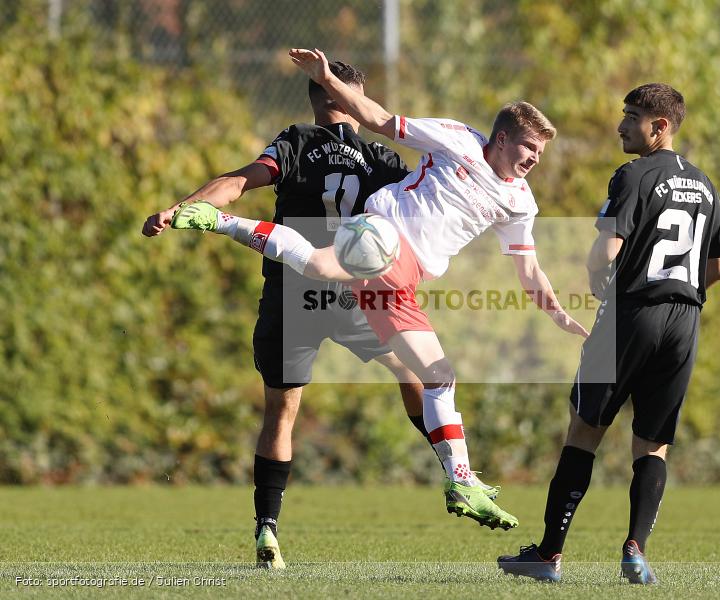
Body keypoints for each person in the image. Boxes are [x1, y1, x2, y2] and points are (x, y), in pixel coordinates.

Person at [168, 47, 589, 533]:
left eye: (540, 152)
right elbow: (380, 119)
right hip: (384, 234)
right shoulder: (459, 140)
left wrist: (556, 311)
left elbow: (529, 267)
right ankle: (462, 478)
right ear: (501, 138)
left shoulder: (521, 202)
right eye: (529, 148)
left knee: (436, 373)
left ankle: (461, 482)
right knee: (327, 272)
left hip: (406, 279)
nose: (535, 158)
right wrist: (328, 77)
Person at [142, 61, 493, 569]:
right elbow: (424, 214)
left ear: (315, 98)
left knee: (281, 413)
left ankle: (267, 530)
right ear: (354, 97)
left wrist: (179, 209)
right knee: (416, 374)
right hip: (357, 293)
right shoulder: (380, 156)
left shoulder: (296, 143)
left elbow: (238, 183)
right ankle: (455, 471)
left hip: (292, 291)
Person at [498, 83, 720, 584]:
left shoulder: (634, 175)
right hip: (684, 322)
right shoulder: (705, 184)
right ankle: (635, 550)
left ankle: (548, 555)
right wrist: (683, 292)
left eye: (632, 117)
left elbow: (605, 253)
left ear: (660, 126)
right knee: (652, 445)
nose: (622, 125)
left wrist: (604, 289)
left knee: (584, 430)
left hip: (631, 313)